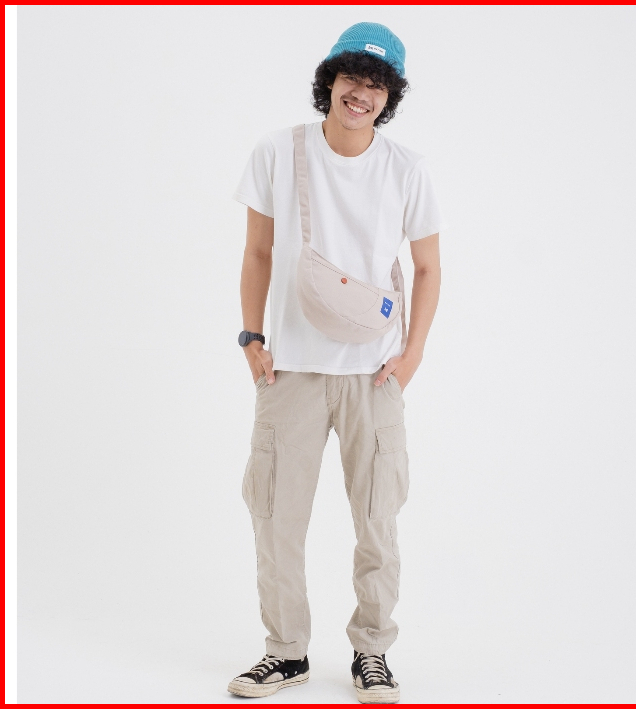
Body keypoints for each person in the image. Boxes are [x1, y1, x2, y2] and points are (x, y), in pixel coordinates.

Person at [227, 21, 446, 704]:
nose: (362, 93)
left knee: (378, 521)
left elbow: (428, 266)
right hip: (289, 369)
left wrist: (412, 355)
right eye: (353, 77)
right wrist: (251, 336)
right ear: (331, 79)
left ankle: (371, 652)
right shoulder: (277, 150)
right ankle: (286, 653)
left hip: (373, 375)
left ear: (390, 97)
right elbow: (257, 251)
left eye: (378, 85)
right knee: (275, 518)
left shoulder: (407, 168)